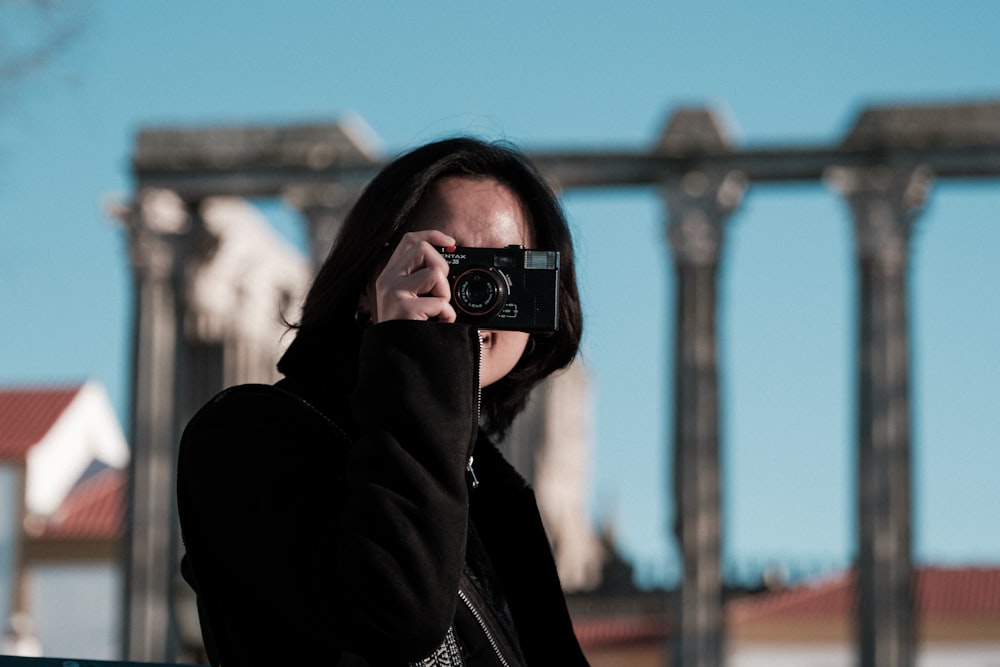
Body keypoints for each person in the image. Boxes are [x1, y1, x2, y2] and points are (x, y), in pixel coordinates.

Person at [176, 137, 590, 666]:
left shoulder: (497, 495)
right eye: (443, 261)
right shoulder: (246, 436)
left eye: (506, 269)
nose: (472, 293)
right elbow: (394, 618)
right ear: (366, 281)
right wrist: (414, 353)